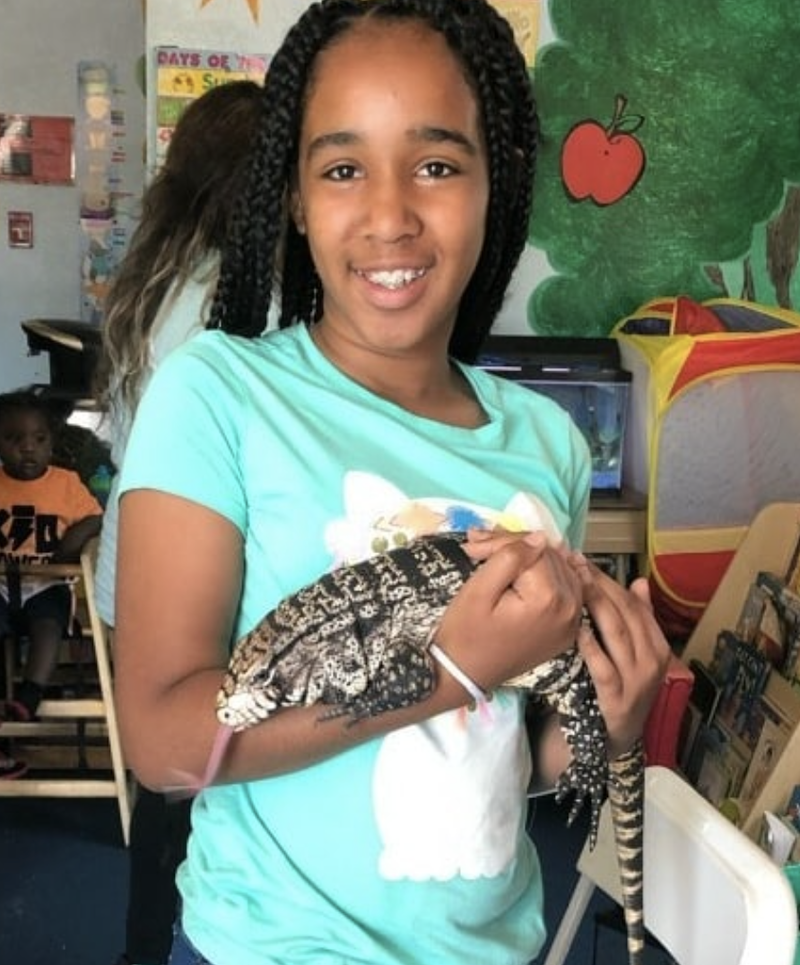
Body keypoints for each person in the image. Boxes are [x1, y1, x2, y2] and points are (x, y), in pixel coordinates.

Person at [114, 2, 670, 964]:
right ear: (293, 196)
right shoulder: (218, 394)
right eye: (341, 168)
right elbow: (165, 744)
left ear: (496, 184)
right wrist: (445, 671)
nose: (389, 213)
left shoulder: (550, 441)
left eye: (439, 164)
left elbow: (515, 751)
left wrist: (608, 720)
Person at [92, 79, 263, 965]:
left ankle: (143, 948)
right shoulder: (233, 301)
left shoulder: (151, 277)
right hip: (199, 560)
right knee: (207, 777)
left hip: (133, 555)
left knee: (163, 791)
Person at [0, 389, 103, 779]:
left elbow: (95, 518)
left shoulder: (65, 483)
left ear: (50, 442)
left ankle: (29, 694)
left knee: (49, 625)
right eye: (13, 439)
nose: (27, 449)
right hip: (3, 584)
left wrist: (69, 546)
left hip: (47, 581)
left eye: (38, 440)